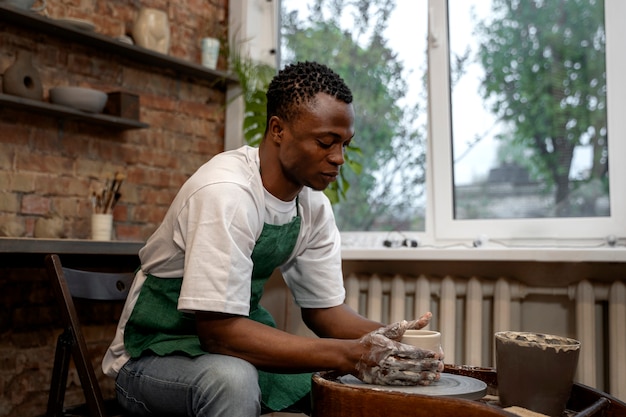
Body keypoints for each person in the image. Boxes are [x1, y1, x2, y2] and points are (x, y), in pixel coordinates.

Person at [102, 61, 443, 416]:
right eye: (325, 142)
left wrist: (393, 341)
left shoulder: (312, 207)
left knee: (340, 385)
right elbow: (218, 334)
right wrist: (349, 353)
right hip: (154, 354)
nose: (338, 158)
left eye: (344, 144)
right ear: (278, 129)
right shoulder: (227, 193)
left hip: (231, 344)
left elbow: (325, 312)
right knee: (232, 381)